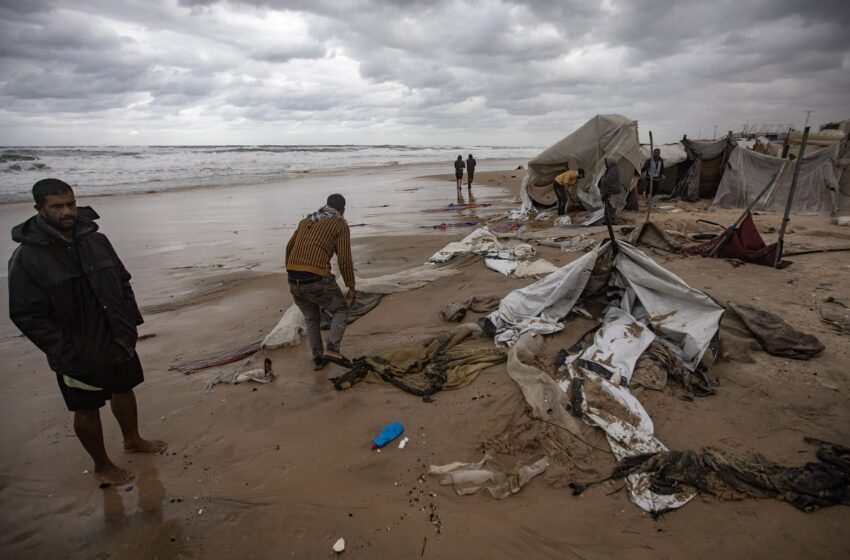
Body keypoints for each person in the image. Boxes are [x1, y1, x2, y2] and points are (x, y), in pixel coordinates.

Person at [8, 178, 166, 486]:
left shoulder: (97, 239)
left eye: (71, 203)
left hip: (116, 335)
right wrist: (65, 349)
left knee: (125, 388)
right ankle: (102, 465)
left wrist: (130, 323)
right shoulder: (28, 258)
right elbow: (26, 314)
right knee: (86, 407)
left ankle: (133, 439)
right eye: (57, 206)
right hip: (76, 347)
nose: (67, 211)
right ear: (39, 209)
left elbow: (122, 281)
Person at [286, 193, 356, 371]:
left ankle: (318, 359)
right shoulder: (340, 224)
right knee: (341, 309)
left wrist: (291, 270)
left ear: (326, 206)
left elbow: (289, 247)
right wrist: (351, 285)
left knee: (311, 318)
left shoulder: (307, 221)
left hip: (293, 278)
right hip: (316, 278)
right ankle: (332, 349)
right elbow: (344, 259)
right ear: (343, 210)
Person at [598, 157, 621, 224]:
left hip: (612, 192)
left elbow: (610, 180)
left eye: (606, 162)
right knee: (607, 206)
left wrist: (603, 179)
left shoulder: (613, 171)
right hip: (610, 192)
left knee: (611, 207)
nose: (605, 164)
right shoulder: (609, 170)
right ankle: (607, 221)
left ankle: (611, 221)